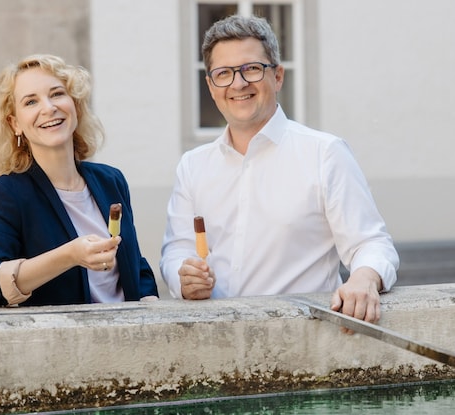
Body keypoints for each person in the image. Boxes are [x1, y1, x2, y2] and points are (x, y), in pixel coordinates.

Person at [160, 15, 399, 327]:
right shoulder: (192, 166)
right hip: (214, 345)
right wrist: (183, 278)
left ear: (278, 76)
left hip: (301, 342)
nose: (238, 83)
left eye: (252, 69)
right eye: (224, 73)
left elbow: (372, 244)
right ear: (210, 85)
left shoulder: (324, 153)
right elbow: (176, 250)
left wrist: (364, 279)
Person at [0, 54, 158, 307]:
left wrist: (150, 302)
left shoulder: (110, 180)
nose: (48, 108)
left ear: (75, 106)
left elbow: (135, 265)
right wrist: (70, 255)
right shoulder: (6, 195)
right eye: (31, 101)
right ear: (15, 124)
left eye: (57, 94)